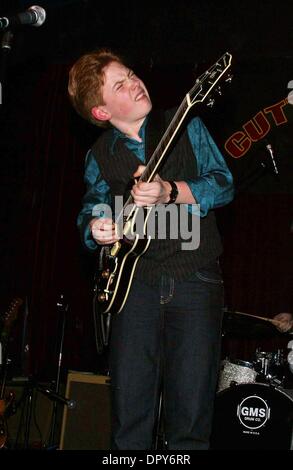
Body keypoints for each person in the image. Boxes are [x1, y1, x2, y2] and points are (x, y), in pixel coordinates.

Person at [68, 48, 234, 450]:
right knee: (130, 415)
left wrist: (171, 191)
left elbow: (224, 183)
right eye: (119, 85)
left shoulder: (185, 124)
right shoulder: (100, 155)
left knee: (191, 416)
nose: (134, 83)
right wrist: (96, 226)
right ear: (102, 112)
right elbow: (92, 208)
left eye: (131, 74)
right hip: (133, 286)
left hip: (195, 277)